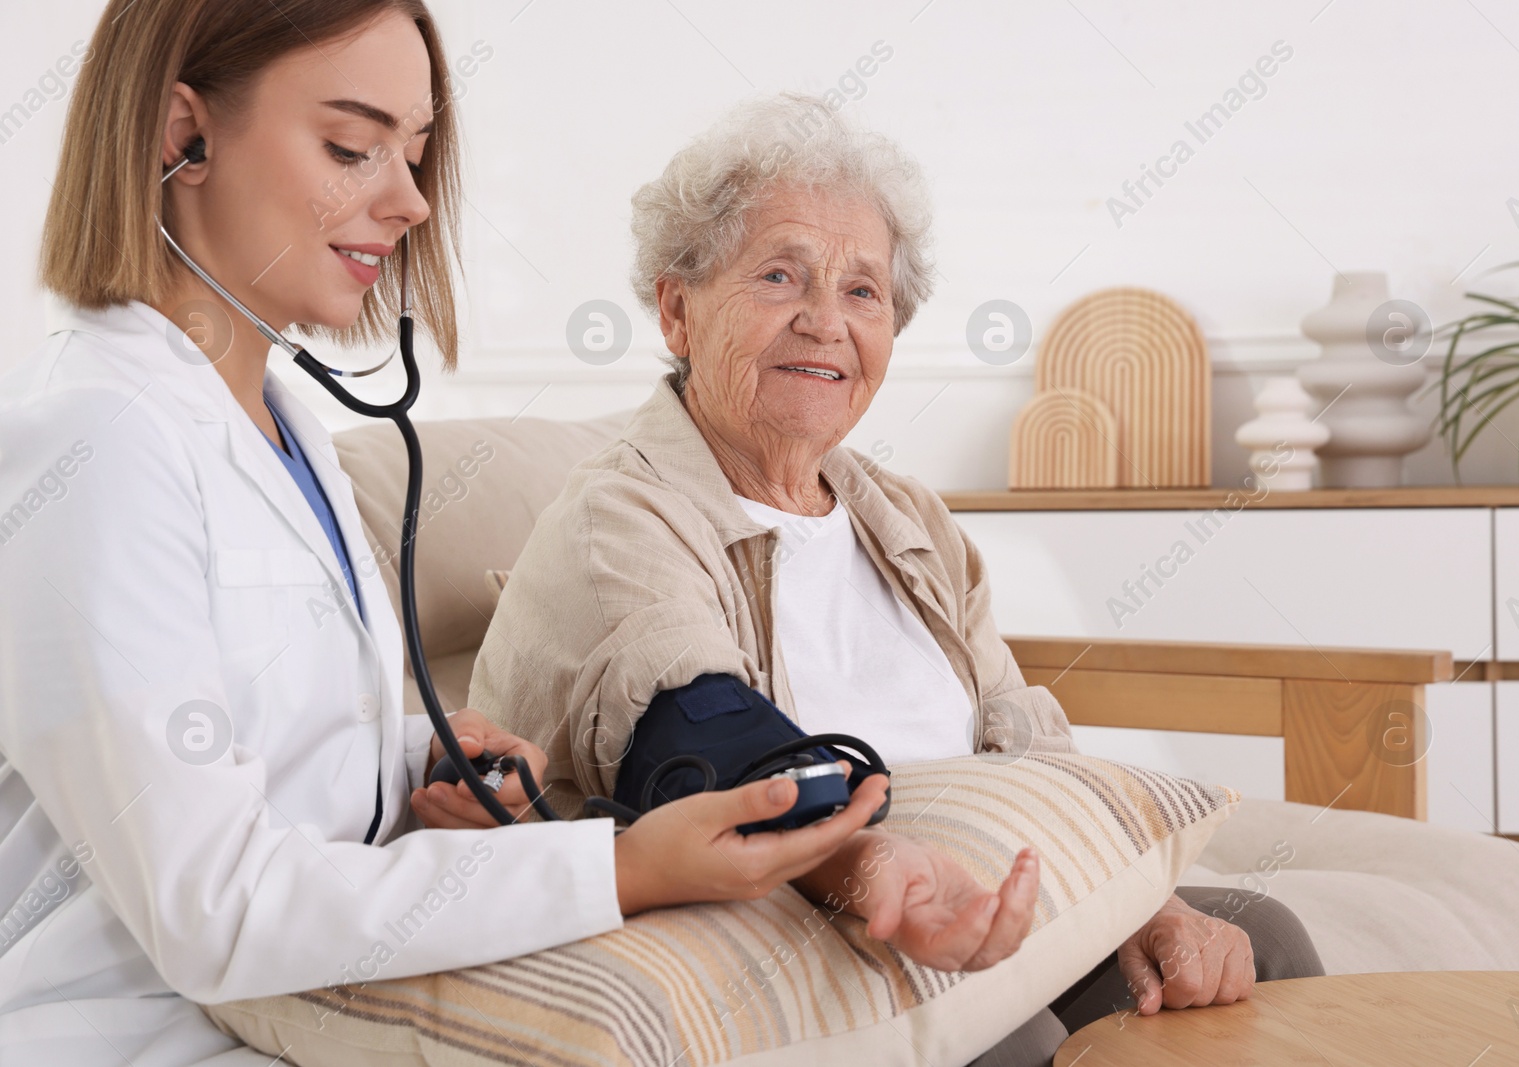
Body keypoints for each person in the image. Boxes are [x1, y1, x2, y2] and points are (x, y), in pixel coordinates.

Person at [0, 7, 890, 1065]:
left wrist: (423, 756)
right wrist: (621, 866)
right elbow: (213, 904)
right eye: (350, 146)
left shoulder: (286, 426)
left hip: (320, 1006)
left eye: (415, 154)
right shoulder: (91, 438)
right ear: (176, 131)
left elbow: (263, 748)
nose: (411, 199)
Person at [471, 93, 1325, 1065]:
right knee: (1017, 1036)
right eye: (779, 274)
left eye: (863, 291)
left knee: (1267, 945)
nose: (823, 322)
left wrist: (1136, 898)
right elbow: (698, 740)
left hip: (972, 893)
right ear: (677, 308)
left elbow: (1020, 731)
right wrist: (874, 865)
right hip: (772, 914)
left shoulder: (905, 518)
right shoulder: (620, 516)